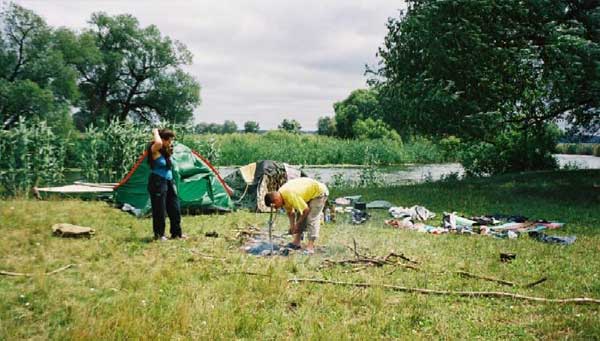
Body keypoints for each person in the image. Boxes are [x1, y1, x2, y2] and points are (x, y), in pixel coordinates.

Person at [264, 177, 328, 254]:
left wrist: (297, 224)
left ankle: (310, 247)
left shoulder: (290, 194)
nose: (275, 208)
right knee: (300, 216)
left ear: (276, 200)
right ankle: (296, 243)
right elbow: (291, 213)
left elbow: (305, 210)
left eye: (274, 206)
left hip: (319, 193)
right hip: (308, 194)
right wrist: (292, 227)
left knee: (311, 218)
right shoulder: (282, 196)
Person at [147, 128, 186, 241]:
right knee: (159, 209)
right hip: (157, 181)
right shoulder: (154, 149)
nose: (170, 143)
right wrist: (155, 131)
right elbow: (158, 142)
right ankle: (159, 235)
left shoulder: (165, 151)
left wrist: (169, 152)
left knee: (174, 208)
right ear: (162, 139)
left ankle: (176, 233)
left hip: (168, 181)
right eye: (168, 140)